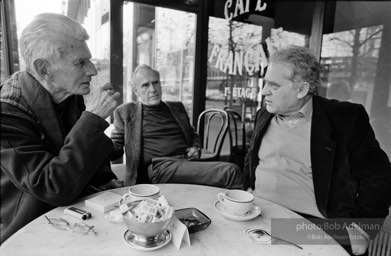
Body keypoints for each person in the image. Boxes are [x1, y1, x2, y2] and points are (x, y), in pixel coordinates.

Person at [243, 46, 391, 255]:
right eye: (266, 82)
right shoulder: (264, 114)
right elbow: (253, 155)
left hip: (311, 226)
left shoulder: (345, 118)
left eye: (273, 85)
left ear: (302, 89)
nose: (264, 90)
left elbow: (379, 174)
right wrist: (247, 188)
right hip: (258, 216)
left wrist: (362, 229)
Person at [0, 13, 123, 243]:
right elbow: (51, 187)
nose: (93, 71)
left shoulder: (68, 93)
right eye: (80, 62)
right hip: (30, 232)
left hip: (79, 215)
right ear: (43, 69)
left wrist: (107, 182)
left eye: (89, 59)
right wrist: (93, 119)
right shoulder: (7, 114)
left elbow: (87, 157)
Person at [110, 64, 243, 189]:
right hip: (160, 166)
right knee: (230, 171)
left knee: (224, 176)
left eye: (156, 82)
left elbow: (192, 135)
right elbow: (114, 150)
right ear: (136, 91)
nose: (153, 89)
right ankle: (241, 211)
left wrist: (195, 147)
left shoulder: (176, 107)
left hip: (186, 161)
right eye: (145, 85)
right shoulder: (126, 112)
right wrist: (95, 123)